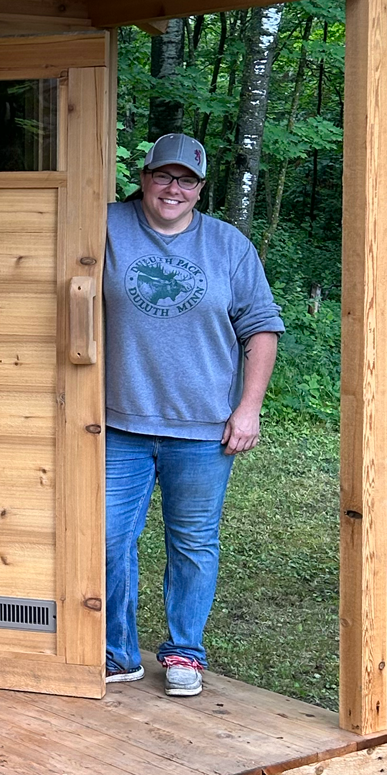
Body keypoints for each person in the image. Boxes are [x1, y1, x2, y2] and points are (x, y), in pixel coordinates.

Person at [102, 132, 282, 697]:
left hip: (204, 428)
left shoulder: (229, 247)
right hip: (117, 422)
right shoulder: (105, 225)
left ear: (201, 189)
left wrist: (248, 408)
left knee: (193, 542)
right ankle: (116, 651)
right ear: (145, 178)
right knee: (107, 539)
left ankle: (185, 652)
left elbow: (262, 327)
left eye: (186, 180)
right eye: (163, 176)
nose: (173, 189)